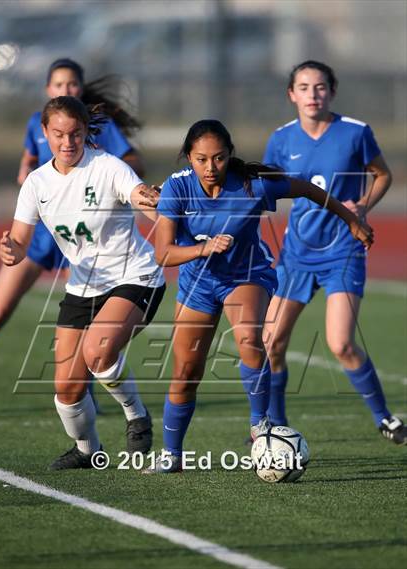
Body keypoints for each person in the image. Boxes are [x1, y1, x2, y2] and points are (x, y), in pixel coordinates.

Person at [143, 119, 373, 473]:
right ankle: (172, 455)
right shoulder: (177, 189)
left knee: (250, 337)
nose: (210, 167)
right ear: (188, 157)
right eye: (201, 159)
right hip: (198, 282)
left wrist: (350, 220)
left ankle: (259, 424)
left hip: (247, 275)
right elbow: (164, 253)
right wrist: (204, 250)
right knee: (187, 370)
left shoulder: (253, 185)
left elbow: (308, 189)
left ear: (229, 155)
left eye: (218, 158)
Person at [0, 96, 165, 469]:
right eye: (58, 134)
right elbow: (20, 242)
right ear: (45, 133)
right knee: (67, 390)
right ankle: (88, 450)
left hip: (135, 276)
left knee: (97, 351)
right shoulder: (37, 184)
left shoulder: (108, 167)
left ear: (87, 132)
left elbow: (140, 196)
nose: (67, 142)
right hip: (84, 286)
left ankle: (136, 415)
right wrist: (11, 251)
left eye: (75, 133)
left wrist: (152, 199)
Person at [262, 60, 406, 445]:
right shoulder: (280, 140)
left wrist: (363, 206)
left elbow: (384, 175)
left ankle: (385, 418)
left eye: (321, 86)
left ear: (332, 91)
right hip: (296, 254)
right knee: (270, 342)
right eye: (304, 87)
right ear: (292, 94)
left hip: (343, 250)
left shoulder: (356, 133)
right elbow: (267, 193)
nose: (313, 94)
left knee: (340, 344)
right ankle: (275, 426)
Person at [0, 58, 144, 360]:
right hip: (44, 232)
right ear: (48, 88)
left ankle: (87, 395)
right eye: (59, 84)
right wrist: (25, 169)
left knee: (86, 327)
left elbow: (134, 165)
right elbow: (29, 159)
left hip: (86, 236)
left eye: (72, 83)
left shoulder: (97, 126)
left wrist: (105, 169)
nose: (66, 88)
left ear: (81, 87)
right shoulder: (37, 122)